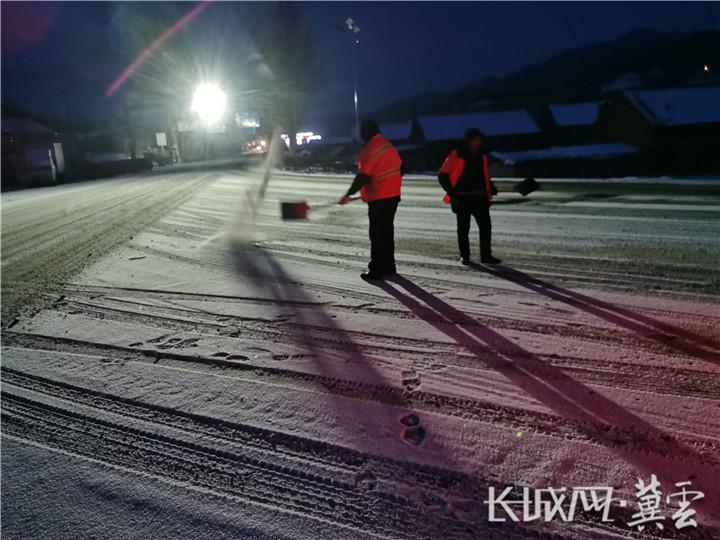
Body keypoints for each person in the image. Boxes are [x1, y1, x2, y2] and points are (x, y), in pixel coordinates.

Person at [340, 120, 403, 280]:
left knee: (377, 234)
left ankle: (376, 270)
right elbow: (400, 168)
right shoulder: (388, 145)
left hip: (379, 198)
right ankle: (389, 266)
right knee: (387, 232)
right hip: (393, 196)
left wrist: (348, 193)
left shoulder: (370, 149)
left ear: (364, 134)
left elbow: (363, 176)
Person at [438, 128, 501, 265]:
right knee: (463, 228)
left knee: (486, 227)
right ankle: (464, 255)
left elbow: (484, 175)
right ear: (468, 141)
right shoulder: (456, 156)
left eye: (479, 141)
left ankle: (486, 256)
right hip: (461, 199)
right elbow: (442, 175)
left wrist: (490, 187)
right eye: (474, 141)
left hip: (480, 198)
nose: (477, 143)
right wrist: (451, 191)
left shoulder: (482, 156)